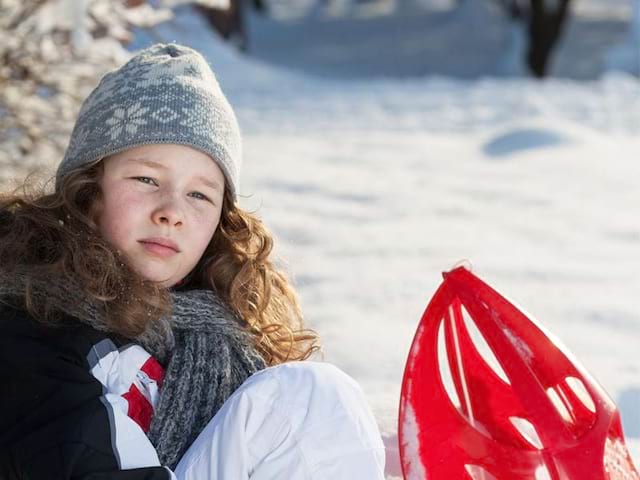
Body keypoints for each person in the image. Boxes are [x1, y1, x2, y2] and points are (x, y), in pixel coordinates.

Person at [0, 43, 385, 479]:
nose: (172, 211)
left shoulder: (218, 344)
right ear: (88, 190)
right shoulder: (30, 320)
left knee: (312, 401)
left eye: (199, 194)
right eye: (146, 178)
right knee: (306, 397)